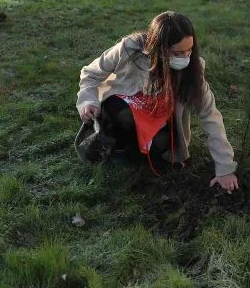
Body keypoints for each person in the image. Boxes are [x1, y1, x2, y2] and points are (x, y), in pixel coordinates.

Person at [76, 11, 239, 192]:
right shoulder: (129, 49)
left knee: (161, 144)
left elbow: (211, 116)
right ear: (158, 48)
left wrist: (225, 168)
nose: (185, 58)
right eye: (177, 53)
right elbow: (90, 74)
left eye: (189, 51)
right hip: (122, 111)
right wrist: (87, 101)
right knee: (121, 114)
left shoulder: (193, 70)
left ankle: (139, 152)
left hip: (158, 123)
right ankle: (117, 147)